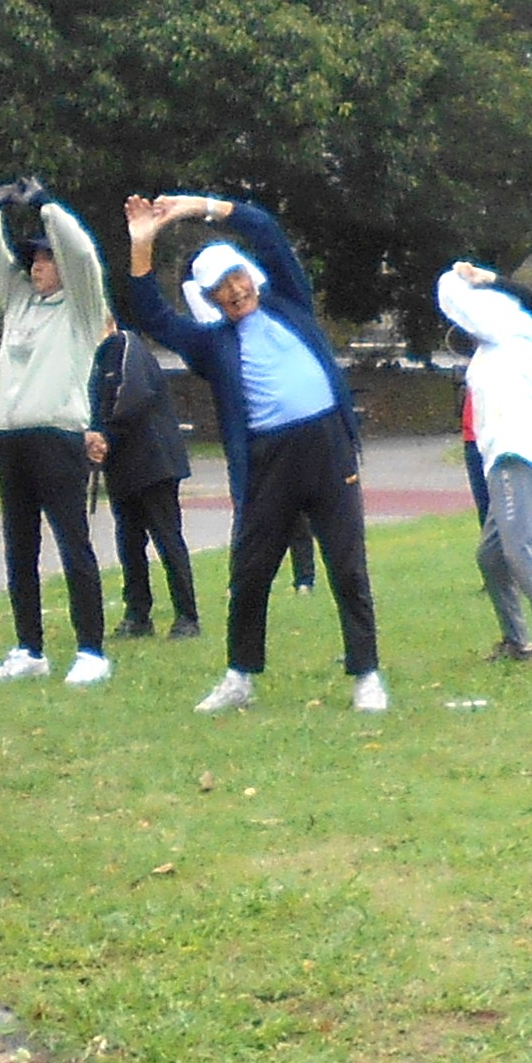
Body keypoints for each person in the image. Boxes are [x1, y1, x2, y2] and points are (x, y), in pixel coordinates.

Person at [117, 191, 387, 715]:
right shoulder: (212, 345)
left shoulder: (290, 302)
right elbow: (151, 313)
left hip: (328, 447)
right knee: (250, 572)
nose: (234, 290)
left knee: (347, 566)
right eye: (221, 287)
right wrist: (142, 242)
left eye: (237, 278)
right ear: (211, 298)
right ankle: (239, 675)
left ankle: (366, 674)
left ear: (250, 276)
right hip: (268, 461)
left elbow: (264, 229)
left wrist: (195, 207)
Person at [0, 181, 115, 688]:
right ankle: (29, 647)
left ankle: (91, 650)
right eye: (33, 259)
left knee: (73, 543)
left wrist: (46, 206)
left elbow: (83, 254)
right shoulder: (19, 300)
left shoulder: (82, 307)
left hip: (57, 437)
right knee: (20, 548)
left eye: (46, 259)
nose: (37, 267)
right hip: (12, 440)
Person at [435, 261, 532, 665]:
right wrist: (494, 280)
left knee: (521, 548)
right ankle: (516, 642)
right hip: (520, 455)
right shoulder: (528, 336)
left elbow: (453, 298)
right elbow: (525, 300)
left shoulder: (505, 334)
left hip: (515, 454)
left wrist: (459, 276)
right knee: (492, 555)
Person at [88, 305, 199, 643]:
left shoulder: (125, 347)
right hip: (121, 466)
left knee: (167, 538)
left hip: (154, 462)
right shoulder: (95, 360)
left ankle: (187, 616)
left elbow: (132, 397)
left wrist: (104, 436)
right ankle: (137, 614)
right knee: (129, 541)